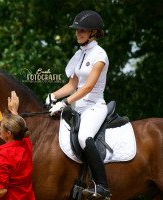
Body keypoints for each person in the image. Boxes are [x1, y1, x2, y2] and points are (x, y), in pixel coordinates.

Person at [45, 10, 110, 198]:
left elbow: (88, 86)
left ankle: (102, 186)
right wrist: (53, 96)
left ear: (93, 32)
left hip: (94, 106)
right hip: (77, 105)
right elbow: (73, 84)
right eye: (76, 30)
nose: (78, 33)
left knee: (84, 137)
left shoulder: (99, 55)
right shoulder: (80, 54)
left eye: (82, 30)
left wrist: (64, 102)